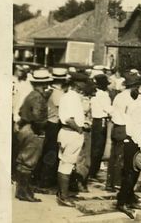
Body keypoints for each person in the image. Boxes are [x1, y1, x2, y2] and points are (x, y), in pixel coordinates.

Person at [116, 76, 141, 218]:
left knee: (136, 170)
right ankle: (122, 201)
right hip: (131, 138)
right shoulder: (123, 98)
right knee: (130, 171)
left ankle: (130, 198)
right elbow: (129, 123)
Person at [14, 69, 52, 202]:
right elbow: (37, 116)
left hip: (24, 128)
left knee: (22, 162)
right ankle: (25, 193)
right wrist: (42, 127)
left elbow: (20, 111)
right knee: (29, 163)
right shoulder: (38, 97)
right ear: (45, 83)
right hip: (33, 130)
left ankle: (21, 191)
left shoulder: (30, 95)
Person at [56, 73, 89, 207]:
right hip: (71, 133)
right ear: (77, 84)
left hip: (68, 132)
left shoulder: (70, 96)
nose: (85, 85)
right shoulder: (71, 97)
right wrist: (79, 129)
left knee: (65, 163)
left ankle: (62, 194)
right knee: (66, 165)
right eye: (83, 83)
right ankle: (63, 196)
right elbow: (69, 119)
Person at [88, 74, 112, 183]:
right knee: (99, 146)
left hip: (95, 121)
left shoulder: (94, 94)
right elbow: (108, 109)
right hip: (101, 120)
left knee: (95, 146)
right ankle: (93, 171)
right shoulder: (103, 95)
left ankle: (92, 170)